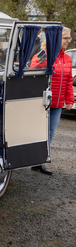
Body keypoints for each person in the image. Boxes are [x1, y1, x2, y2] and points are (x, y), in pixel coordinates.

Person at [29, 27, 74, 175]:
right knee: (38, 132)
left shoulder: (67, 58)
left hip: (58, 104)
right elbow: (32, 73)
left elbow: (68, 81)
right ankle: (33, 159)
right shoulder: (43, 55)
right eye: (66, 38)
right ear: (56, 39)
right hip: (43, 103)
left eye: (69, 38)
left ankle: (39, 162)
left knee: (50, 133)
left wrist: (69, 99)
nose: (69, 40)